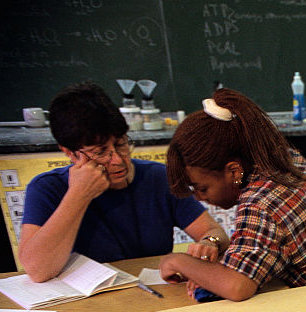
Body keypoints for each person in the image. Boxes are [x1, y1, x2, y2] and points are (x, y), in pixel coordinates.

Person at [160, 89, 306, 301]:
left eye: (202, 188)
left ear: (234, 171)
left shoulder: (261, 200)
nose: (200, 198)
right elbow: (258, 246)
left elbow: (238, 286)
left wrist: (177, 261)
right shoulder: (280, 160)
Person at [19, 82, 229, 282]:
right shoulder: (47, 188)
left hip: (153, 294)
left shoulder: (157, 178)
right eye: (100, 152)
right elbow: (37, 271)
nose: (118, 160)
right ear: (70, 153)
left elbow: (214, 233)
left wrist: (208, 243)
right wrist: (78, 196)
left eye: (121, 144)